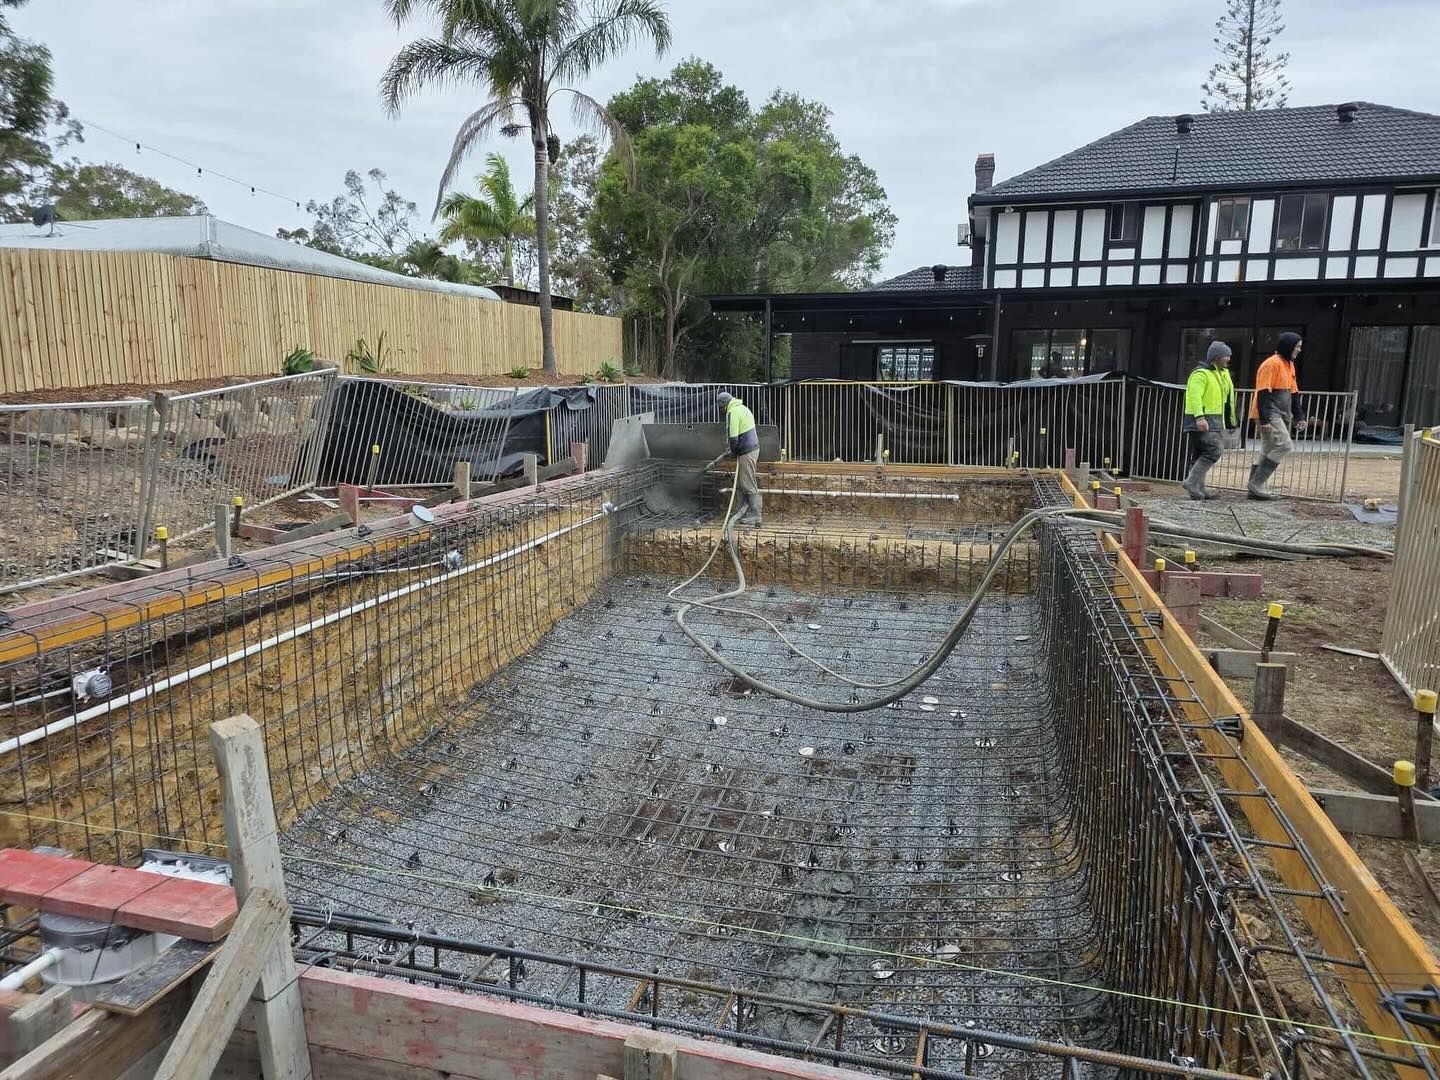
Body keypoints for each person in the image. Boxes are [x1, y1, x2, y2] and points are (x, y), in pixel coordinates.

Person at [1248, 332, 1305, 500]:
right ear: (1289, 346)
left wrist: (1299, 416)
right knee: (1285, 445)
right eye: (1298, 346)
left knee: (1268, 448)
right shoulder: (1271, 364)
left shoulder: (1289, 365)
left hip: (1277, 412)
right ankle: (1256, 484)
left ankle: (1254, 489)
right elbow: (1263, 393)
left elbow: (1294, 394)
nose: (1300, 350)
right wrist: (1264, 420)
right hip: (1269, 412)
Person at [1181, 340, 1239, 500]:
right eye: (1226, 356)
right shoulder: (1200, 374)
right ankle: (1192, 482)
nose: (1229, 359)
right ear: (1216, 357)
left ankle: (1198, 490)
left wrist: (1231, 421)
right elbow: (1194, 397)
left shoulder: (1222, 374)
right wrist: (1199, 417)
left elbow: (1228, 400)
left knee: (1200, 454)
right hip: (1201, 421)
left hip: (1214, 421)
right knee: (1214, 450)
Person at [716, 391, 761, 526]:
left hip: (747, 451)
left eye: (721, 408)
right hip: (750, 449)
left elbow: (733, 437)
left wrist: (733, 452)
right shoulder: (742, 408)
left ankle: (756, 515)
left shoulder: (733, 412)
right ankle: (740, 512)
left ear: (724, 405)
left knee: (747, 483)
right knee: (741, 483)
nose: (722, 411)